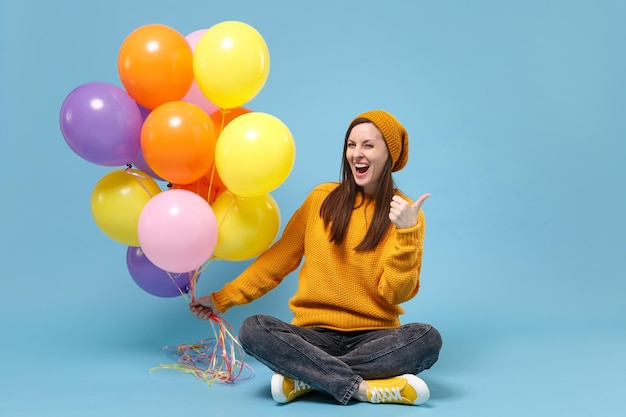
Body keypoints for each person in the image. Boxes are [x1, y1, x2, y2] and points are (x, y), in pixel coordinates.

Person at [190, 110, 442, 406]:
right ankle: (362, 388)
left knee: (427, 339)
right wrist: (223, 298)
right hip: (313, 337)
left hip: (374, 339)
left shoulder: (406, 214)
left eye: (368, 146)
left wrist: (406, 233)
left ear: (389, 154)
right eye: (351, 144)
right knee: (253, 329)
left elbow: (394, 292)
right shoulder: (321, 199)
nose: (356, 154)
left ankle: (308, 377)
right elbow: (278, 260)